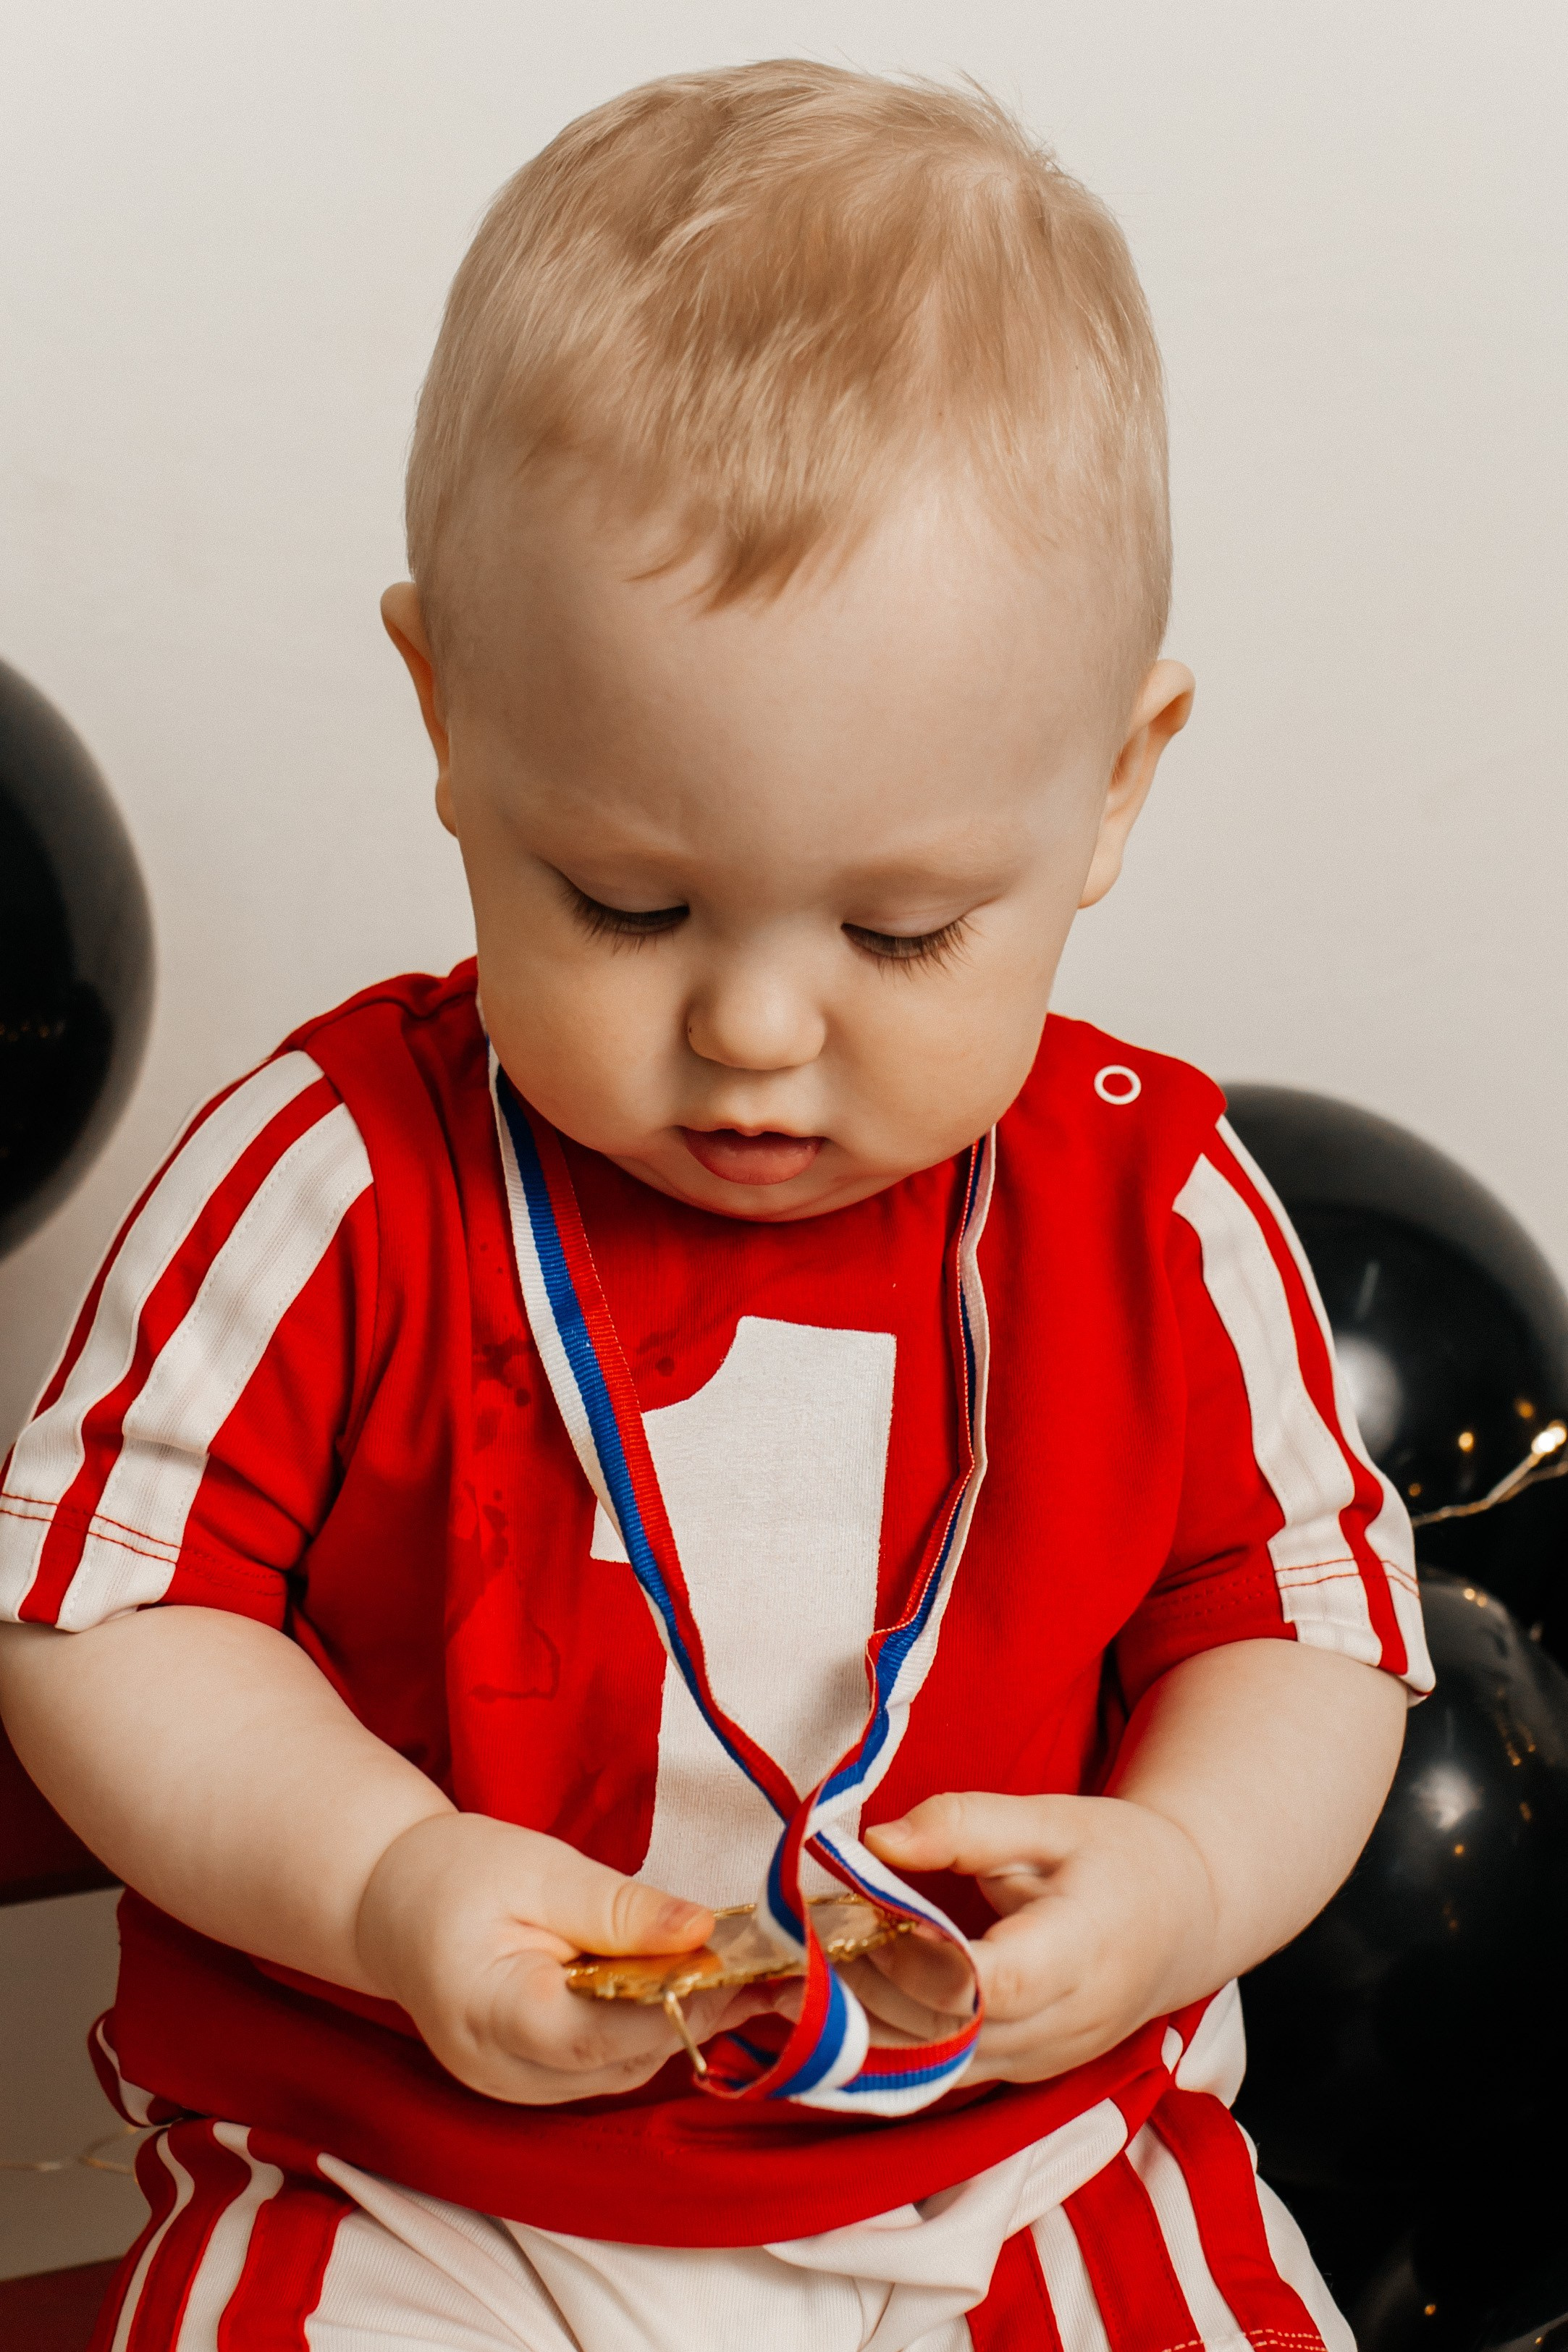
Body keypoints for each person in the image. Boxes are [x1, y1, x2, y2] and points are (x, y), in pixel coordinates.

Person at [0, 60, 1430, 2352]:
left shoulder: (1154, 1202)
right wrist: (382, 1880)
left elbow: (1311, 1637)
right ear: (450, 718)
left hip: (1016, 2158)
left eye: (897, 936)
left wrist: (1176, 1879)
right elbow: (97, 1615)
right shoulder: (335, 1170)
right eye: (628, 898)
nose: (761, 1030)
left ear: (1115, 789)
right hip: (411, 2170)